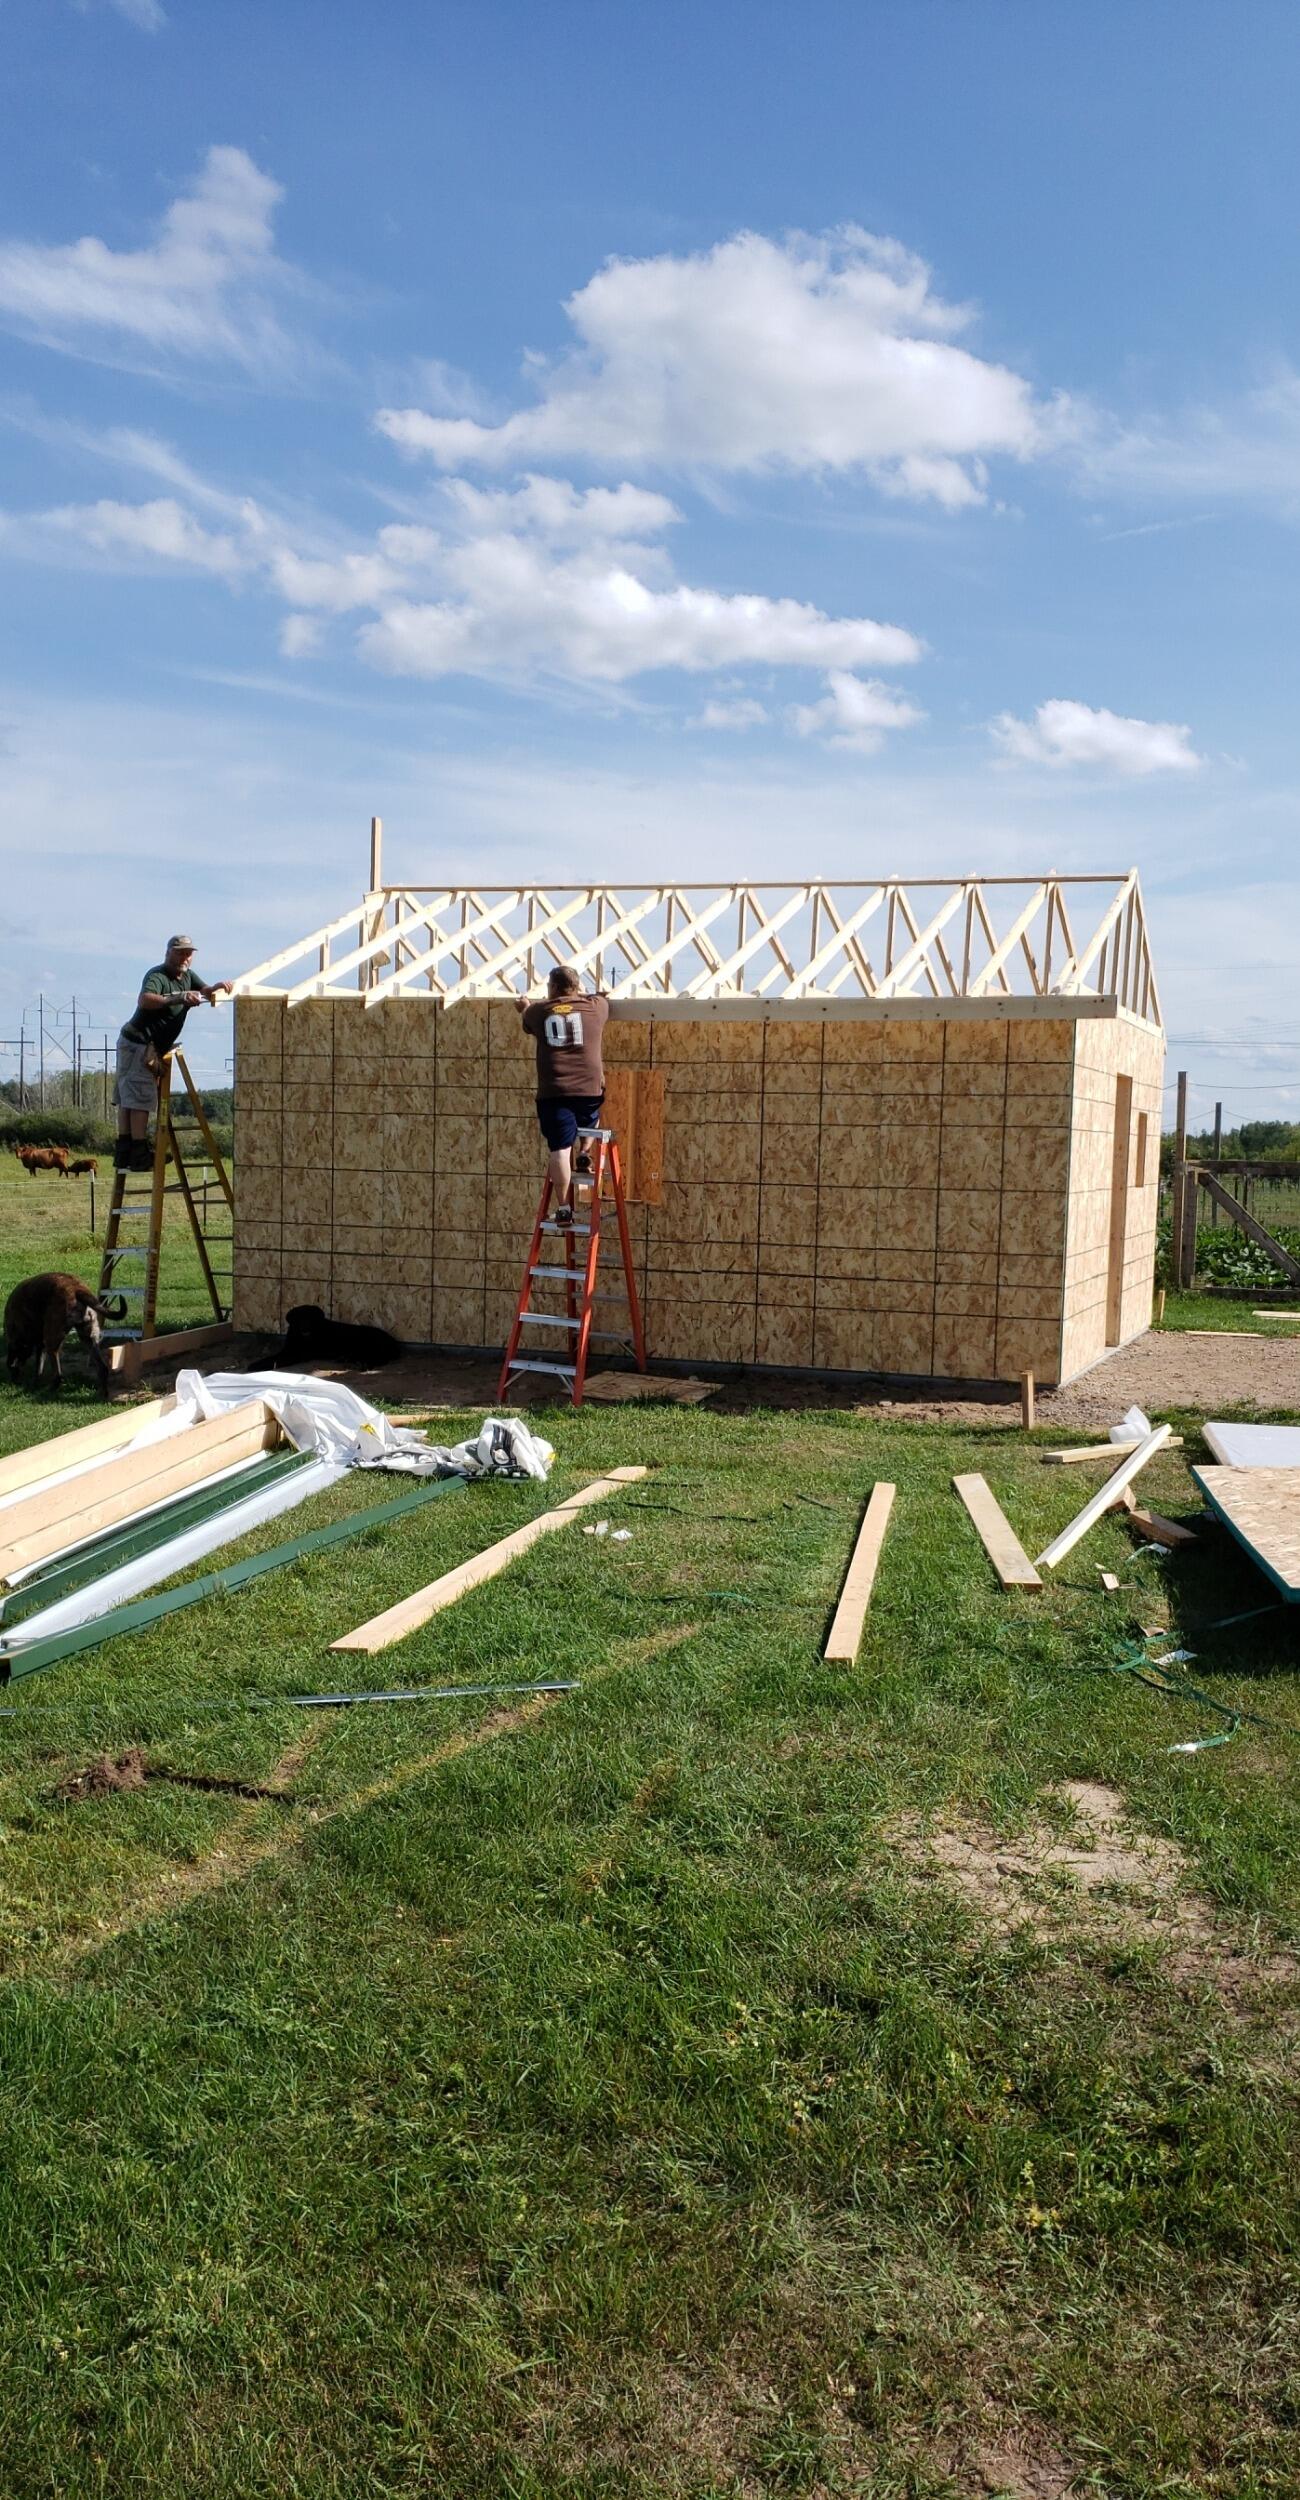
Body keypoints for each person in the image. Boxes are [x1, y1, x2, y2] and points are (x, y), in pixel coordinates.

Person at [114, 935, 232, 1170]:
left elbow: (204, 989)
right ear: (168, 953)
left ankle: (126, 1152)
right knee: (137, 1099)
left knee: (130, 1098)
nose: (185, 957)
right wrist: (177, 998)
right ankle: (137, 1153)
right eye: (180, 952)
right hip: (138, 1043)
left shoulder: (188, 975)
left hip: (144, 1046)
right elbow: (145, 1000)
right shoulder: (158, 976)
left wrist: (215, 988)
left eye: (188, 953)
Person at [516, 965, 609, 1223]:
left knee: (559, 1148)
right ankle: (585, 1151)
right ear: (577, 987)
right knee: (593, 1117)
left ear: (554, 988)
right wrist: (593, 995)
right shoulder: (594, 1009)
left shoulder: (539, 1011)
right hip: (589, 1091)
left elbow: (526, 1016)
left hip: (554, 1092)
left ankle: (565, 1207)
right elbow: (602, 997)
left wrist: (524, 1005)